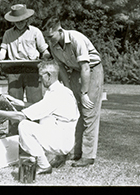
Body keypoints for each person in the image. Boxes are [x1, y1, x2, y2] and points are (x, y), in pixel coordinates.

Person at [0, 60, 80, 174]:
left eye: (41, 76)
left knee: (24, 126)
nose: (39, 79)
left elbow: (21, 116)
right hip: (62, 135)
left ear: (48, 76)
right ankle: (48, 158)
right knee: (42, 119)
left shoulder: (56, 95)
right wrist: (17, 101)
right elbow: (40, 107)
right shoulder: (60, 90)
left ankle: (44, 165)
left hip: (61, 141)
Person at [41, 16, 104, 167]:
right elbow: (61, 68)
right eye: (46, 37)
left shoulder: (76, 39)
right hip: (76, 71)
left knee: (88, 111)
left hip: (92, 70)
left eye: (51, 36)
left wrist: (83, 94)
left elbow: (86, 68)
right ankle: (74, 151)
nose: (48, 40)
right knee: (74, 112)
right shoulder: (53, 44)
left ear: (60, 31)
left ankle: (88, 155)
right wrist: (68, 91)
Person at [0, 4, 51, 134]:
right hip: (13, 71)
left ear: (27, 19)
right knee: (13, 105)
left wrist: (45, 59)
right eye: (16, 21)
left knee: (35, 104)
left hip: (32, 70)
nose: (19, 24)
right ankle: (14, 137)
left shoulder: (35, 32)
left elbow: (45, 51)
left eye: (21, 21)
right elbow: (3, 51)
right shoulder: (8, 34)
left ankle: (35, 135)